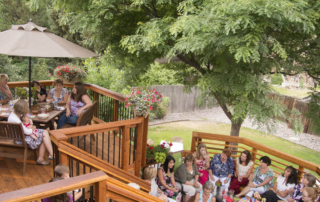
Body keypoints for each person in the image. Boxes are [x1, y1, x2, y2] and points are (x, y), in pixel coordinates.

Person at [8, 99, 53, 165]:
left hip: (19, 136)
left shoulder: (13, 115)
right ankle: (44, 157)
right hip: (21, 140)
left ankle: (50, 155)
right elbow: (28, 132)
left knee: (45, 132)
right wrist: (33, 127)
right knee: (44, 136)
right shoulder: (16, 120)